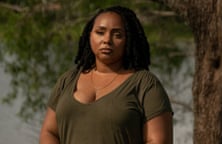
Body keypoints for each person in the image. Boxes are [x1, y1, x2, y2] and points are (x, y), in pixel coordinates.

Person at [40, 5, 173, 144]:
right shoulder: (68, 80)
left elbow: (158, 141)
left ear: (129, 40)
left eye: (117, 35)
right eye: (100, 32)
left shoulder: (145, 84)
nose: (107, 40)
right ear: (89, 35)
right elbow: (49, 132)